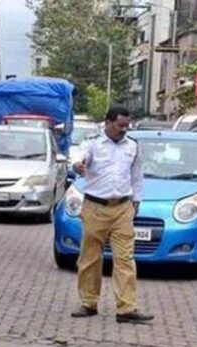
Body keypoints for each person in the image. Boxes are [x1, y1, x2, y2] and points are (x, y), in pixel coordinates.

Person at [72, 105, 154, 324]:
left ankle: (126, 308)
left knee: (125, 258)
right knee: (90, 257)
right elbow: (80, 156)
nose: (124, 129)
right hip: (95, 207)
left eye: (127, 125)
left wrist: (136, 200)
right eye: (120, 125)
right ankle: (89, 303)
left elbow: (137, 176)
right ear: (107, 123)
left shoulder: (133, 146)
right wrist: (78, 165)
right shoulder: (93, 143)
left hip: (122, 208)